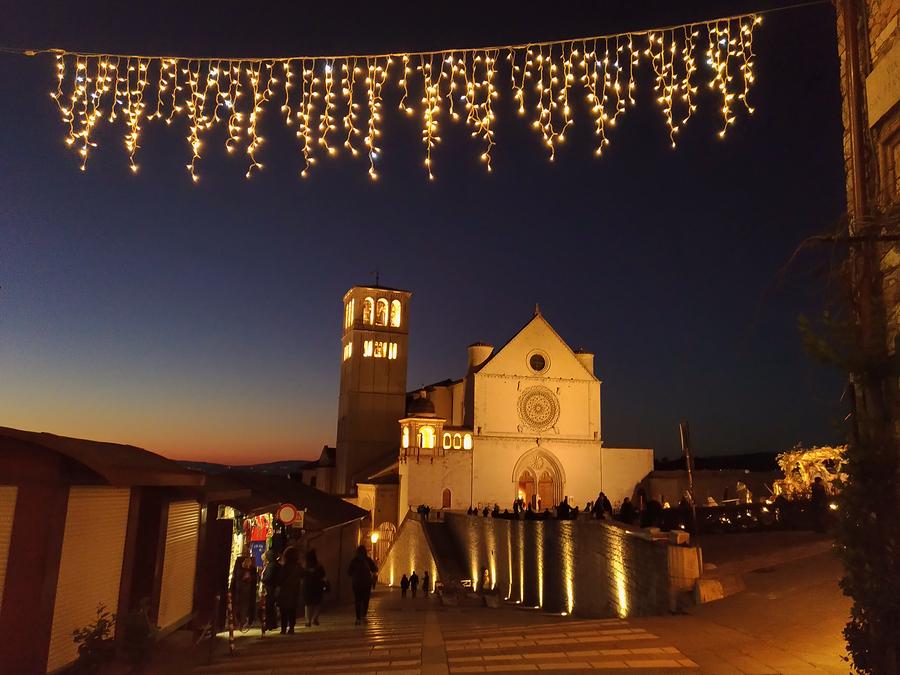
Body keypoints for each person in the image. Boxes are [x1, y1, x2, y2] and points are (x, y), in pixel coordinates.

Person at [348, 545, 378, 625]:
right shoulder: (368, 560)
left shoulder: (354, 560)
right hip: (366, 583)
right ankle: (364, 616)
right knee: (365, 600)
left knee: (357, 600)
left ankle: (358, 619)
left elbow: (349, 572)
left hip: (356, 583)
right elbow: (375, 569)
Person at [276, 546, 303, 634]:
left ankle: (283, 629)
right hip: (295, 590)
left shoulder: (284, 567)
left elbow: (280, 579)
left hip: (285, 590)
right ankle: (291, 628)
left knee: (283, 610)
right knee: (292, 610)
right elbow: (303, 575)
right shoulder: (298, 567)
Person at [230, 551, 257, 629]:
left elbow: (235, 578)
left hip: (241, 591)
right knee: (242, 607)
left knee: (240, 606)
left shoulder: (239, 566)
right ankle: (241, 622)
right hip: (243, 591)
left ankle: (240, 622)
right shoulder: (251, 568)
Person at [302, 549, 327, 627]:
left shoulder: (304, 566)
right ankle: (315, 618)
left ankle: (308, 620)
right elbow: (323, 576)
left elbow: (301, 576)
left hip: (307, 586)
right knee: (318, 603)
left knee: (308, 604)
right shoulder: (319, 566)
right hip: (317, 586)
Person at [260, 550, 280, 631]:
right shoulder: (273, 565)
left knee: (269, 607)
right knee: (270, 607)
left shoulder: (271, 566)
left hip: (270, 588)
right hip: (271, 588)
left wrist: (262, 579)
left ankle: (269, 624)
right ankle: (272, 623)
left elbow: (268, 577)